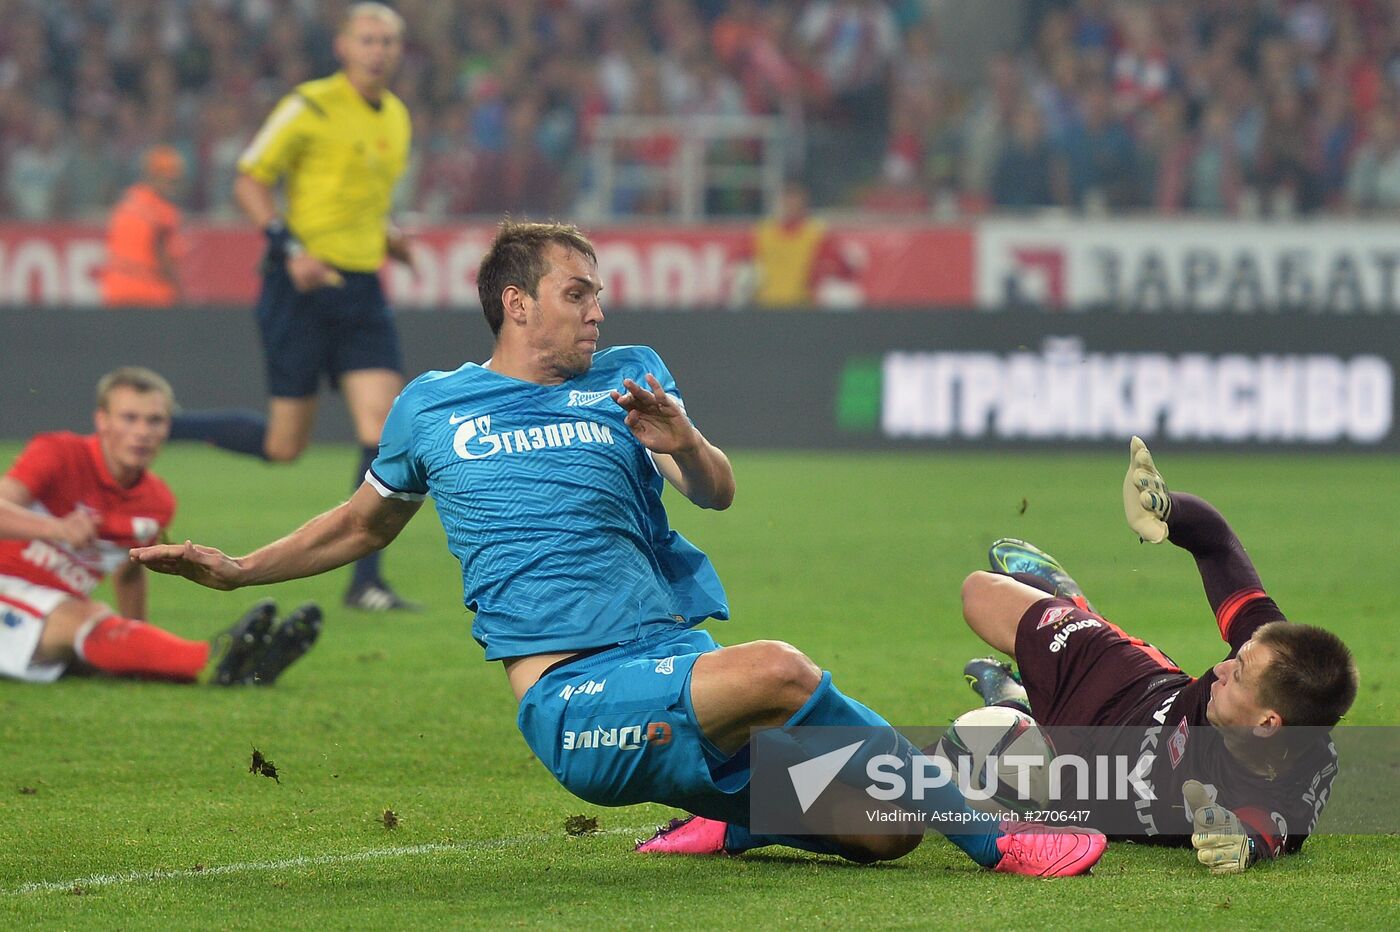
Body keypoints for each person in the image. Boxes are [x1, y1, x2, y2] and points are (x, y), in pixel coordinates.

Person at [131, 219, 1106, 878]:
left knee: (882, 829)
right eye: (575, 291)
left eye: (598, 292)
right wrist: (235, 568)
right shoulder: (431, 405)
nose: (597, 308)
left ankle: (734, 815)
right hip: (575, 700)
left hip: (676, 663)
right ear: (516, 303)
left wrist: (681, 438)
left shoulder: (633, 379)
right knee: (780, 666)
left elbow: (714, 491)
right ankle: (997, 837)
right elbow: (360, 521)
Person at [959, 437, 1358, 874]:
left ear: (1268, 725)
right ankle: (1075, 609)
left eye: (1238, 674)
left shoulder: (1292, 783)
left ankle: (1015, 700)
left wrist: (1235, 843)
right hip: (1126, 689)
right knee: (979, 594)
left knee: (990, 769)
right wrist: (1168, 509)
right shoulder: (1271, 648)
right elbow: (1216, 544)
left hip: (1083, 787)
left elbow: (1263, 831)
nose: (1222, 666)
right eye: (1237, 657)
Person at [166, 2, 416, 611]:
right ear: (343, 46)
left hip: (360, 289)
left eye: (387, 40)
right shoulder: (309, 105)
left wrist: (386, 238)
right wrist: (291, 248)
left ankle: (366, 583)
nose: (378, 49)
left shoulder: (398, 118)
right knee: (285, 446)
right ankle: (162, 425)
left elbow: (356, 196)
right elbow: (249, 179)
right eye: (367, 38)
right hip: (297, 287)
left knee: (382, 428)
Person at [0, 367, 319, 686]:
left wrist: (135, 638)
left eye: (155, 420)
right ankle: (210, 661)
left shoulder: (157, 500)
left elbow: (129, 570)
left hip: (47, 612)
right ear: (102, 420)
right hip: (14, 588)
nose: (143, 432)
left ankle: (248, 667)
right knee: (84, 618)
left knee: (95, 647)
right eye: (129, 418)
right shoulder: (59, 454)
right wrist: (54, 529)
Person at [100, 146, 187, 308]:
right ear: (153, 176)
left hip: (116, 292)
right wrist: (180, 295)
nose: (173, 186)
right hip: (149, 295)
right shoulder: (163, 210)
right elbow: (164, 258)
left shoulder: (127, 201)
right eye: (169, 180)